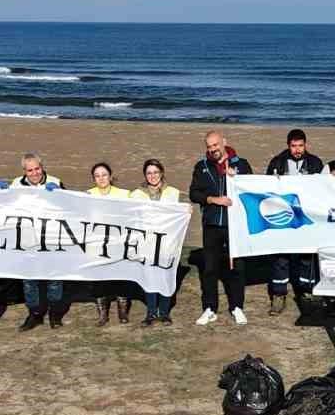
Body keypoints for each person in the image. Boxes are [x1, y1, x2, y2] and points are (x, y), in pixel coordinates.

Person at [189, 131, 253, 325]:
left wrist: (237, 178)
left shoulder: (241, 164)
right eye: (209, 146)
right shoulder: (202, 166)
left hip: (234, 224)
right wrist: (212, 199)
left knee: (237, 267)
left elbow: (251, 189)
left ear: (224, 142)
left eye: (215, 145)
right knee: (210, 268)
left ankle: (237, 307)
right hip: (211, 224)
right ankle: (210, 308)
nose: (213, 149)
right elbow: (194, 193)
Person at [264, 128, 324, 315]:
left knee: (307, 255)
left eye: (300, 146)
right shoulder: (277, 162)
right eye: (293, 146)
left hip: (307, 215)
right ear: (288, 145)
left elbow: (325, 189)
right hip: (285, 215)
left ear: (306, 145)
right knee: (281, 255)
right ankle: (278, 294)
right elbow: (265, 188)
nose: (297, 149)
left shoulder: (315, 163)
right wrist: (273, 181)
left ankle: (307, 292)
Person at [14, 152, 65, 332]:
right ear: (24, 171)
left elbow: (69, 208)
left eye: (37, 168)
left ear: (42, 167)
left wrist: (60, 194)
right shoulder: (16, 185)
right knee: (29, 281)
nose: (34, 173)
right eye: (30, 170)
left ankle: (54, 313)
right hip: (28, 240)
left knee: (55, 279)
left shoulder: (56, 182)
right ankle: (35, 314)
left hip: (51, 239)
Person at [131, 158, 181, 326]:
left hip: (167, 242)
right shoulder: (136, 194)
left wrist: (185, 211)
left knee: (165, 275)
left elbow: (177, 215)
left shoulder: (173, 193)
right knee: (150, 277)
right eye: (149, 173)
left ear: (162, 173)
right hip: (147, 241)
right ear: (145, 175)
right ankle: (151, 312)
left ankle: (164, 312)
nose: (152, 176)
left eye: (155, 172)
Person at [85, 162, 135, 326]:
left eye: (104, 175)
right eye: (97, 176)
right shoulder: (87, 195)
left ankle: (122, 311)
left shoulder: (124, 194)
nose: (101, 178)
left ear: (110, 176)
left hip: (118, 242)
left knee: (121, 277)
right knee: (99, 279)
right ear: (93, 179)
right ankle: (102, 314)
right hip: (96, 244)